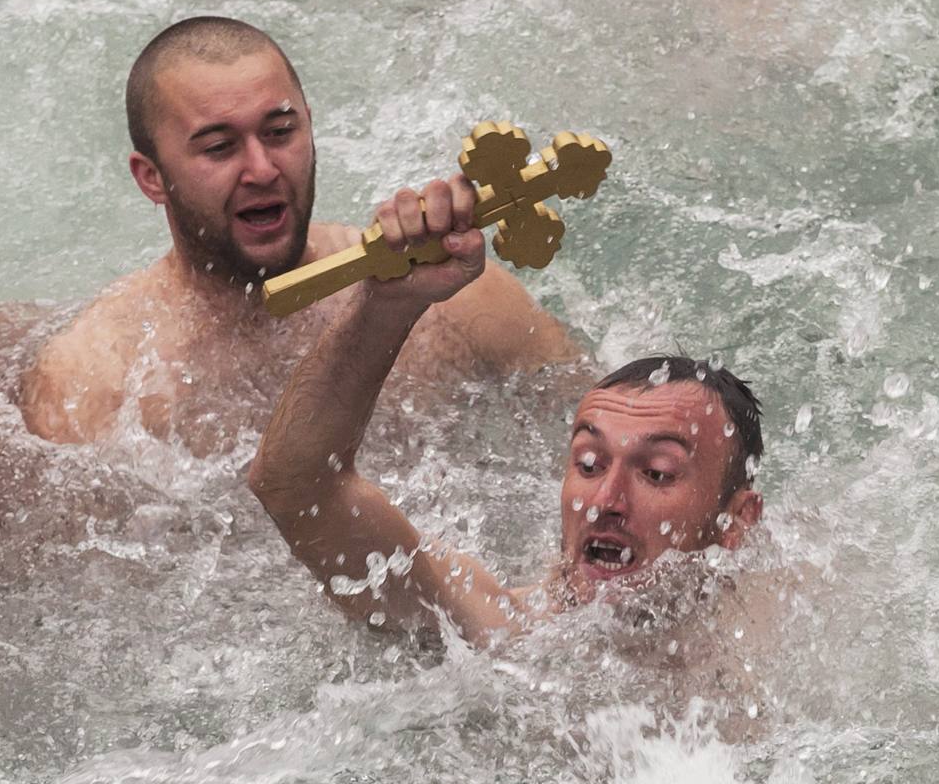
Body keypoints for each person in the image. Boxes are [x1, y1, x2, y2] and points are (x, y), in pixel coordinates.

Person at [18, 17, 578, 455]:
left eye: (280, 132)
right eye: (219, 147)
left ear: (310, 125)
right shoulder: (97, 381)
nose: (262, 168)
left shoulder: (453, 297)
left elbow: (611, 439)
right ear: (151, 178)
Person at [248, 175, 764, 648]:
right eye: (589, 464)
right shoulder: (498, 630)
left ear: (735, 523)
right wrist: (387, 307)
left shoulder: (780, 642)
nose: (604, 501)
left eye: (656, 473)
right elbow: (298, 484)